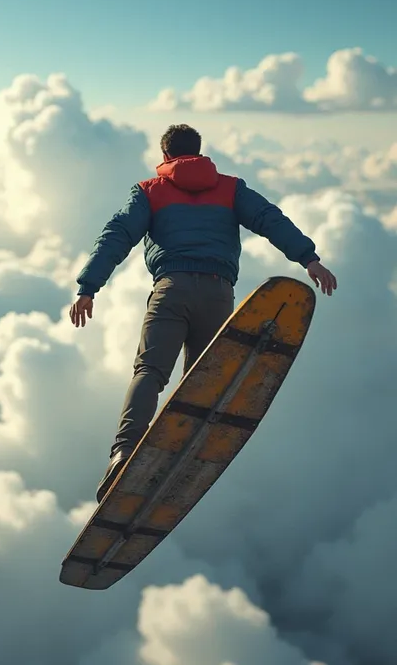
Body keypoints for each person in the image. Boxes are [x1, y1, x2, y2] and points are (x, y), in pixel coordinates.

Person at [71, 124, 337, 502]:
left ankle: (123, 453)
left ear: (165, 157)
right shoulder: (230, 189)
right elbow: (270, 219)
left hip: (171, 291)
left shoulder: (149, 191)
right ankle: (183, 458)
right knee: (199, 386)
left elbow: (116, 236)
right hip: (217, 294)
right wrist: (309, 259)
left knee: (149, 372)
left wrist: (88, 287)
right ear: (198, 152)